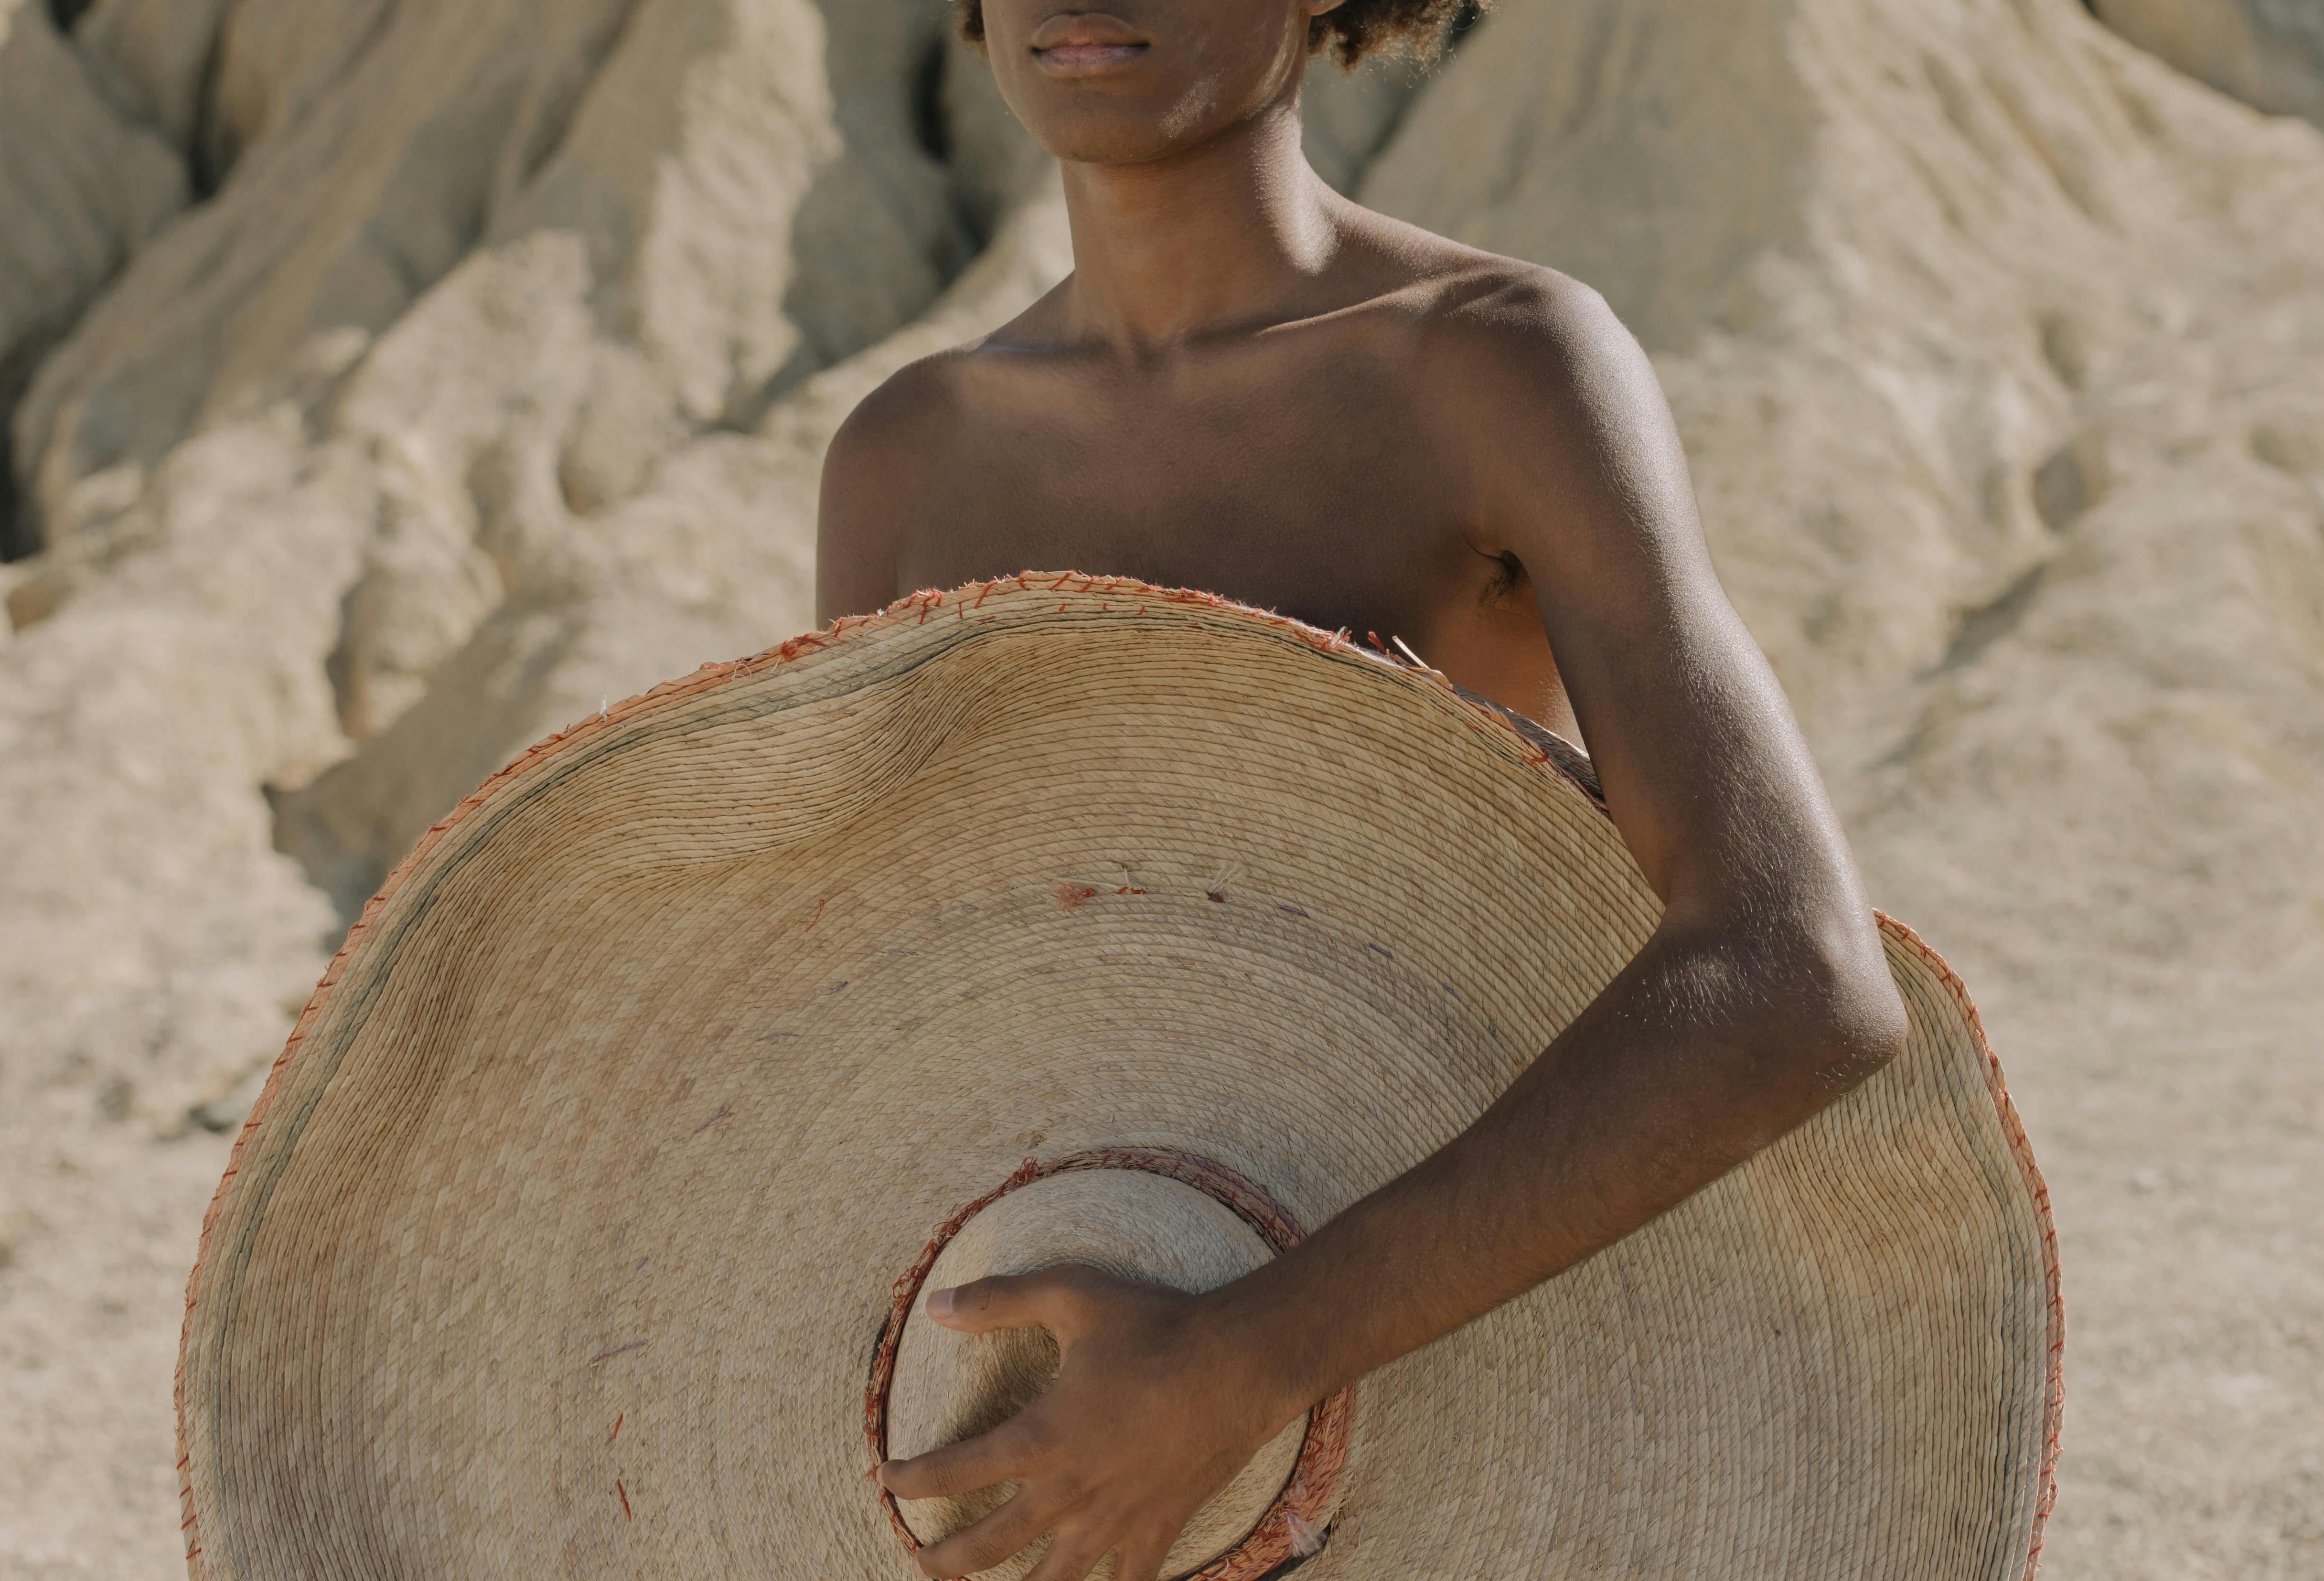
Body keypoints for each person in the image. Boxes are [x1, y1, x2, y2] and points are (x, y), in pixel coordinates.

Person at [814, 2, 1911, 1577]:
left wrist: (1236, 1366)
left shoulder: (1491, 364)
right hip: (1040, 1420)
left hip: (1423, 1381)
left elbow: (1795, 971)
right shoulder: (904, 462)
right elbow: (873, 1009)